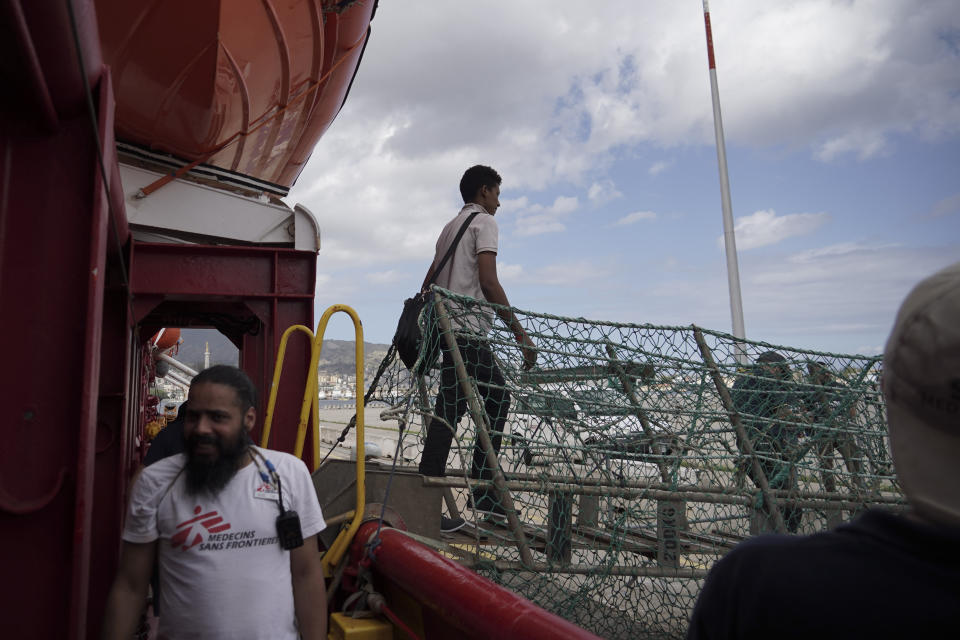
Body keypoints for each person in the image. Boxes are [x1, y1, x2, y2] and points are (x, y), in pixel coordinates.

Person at [687, 261, 960, 638]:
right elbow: (755, 418)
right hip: (764, 454)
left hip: (782, 455)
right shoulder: (751, 388)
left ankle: (788, 526)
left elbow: (802, 404)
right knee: (774, 498)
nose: (779, 377)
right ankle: (782, 524)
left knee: (786, 500)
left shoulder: (752, 584)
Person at [101, 365, 327, 640]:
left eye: (217, 417)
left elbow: (305, 574)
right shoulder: (154, 483)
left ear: (249, 419)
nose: (201, 428)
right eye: (194, 417)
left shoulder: (288, 474)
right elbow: (131, 586)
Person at [417, 165, 536, 533]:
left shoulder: (449, 228)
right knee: (498, 398)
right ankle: (483, 492)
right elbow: (488, 281)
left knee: (448, 412)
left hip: (446, 331)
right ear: (484, 192)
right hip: (467, 332)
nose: (499, 202)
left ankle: (427, 496)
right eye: (497, 193)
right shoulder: (485, 223)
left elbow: (428, 283)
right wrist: (520, 335)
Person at [731, 350, 804, 533]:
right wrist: (802, 420)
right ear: (773, 367)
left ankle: (765, 535)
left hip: (747, 446)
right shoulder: (769, 381)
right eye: (779, 369)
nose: (781, 372)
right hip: (773, 446)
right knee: (785, 496)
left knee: (764, 491)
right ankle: (784, 536)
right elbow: (785, 412)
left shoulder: (740, 382)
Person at [802, 361, 865, 497]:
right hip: (823, 432)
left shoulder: (838, 388)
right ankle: (831, 494)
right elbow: (807, 414)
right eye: (815, 372)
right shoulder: (809, 391)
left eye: (822, 371)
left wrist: (848, 414)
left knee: (853, 458)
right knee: (826, 464)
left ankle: (858, 489)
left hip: (842, 429)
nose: (822, 374)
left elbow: (851, 409)